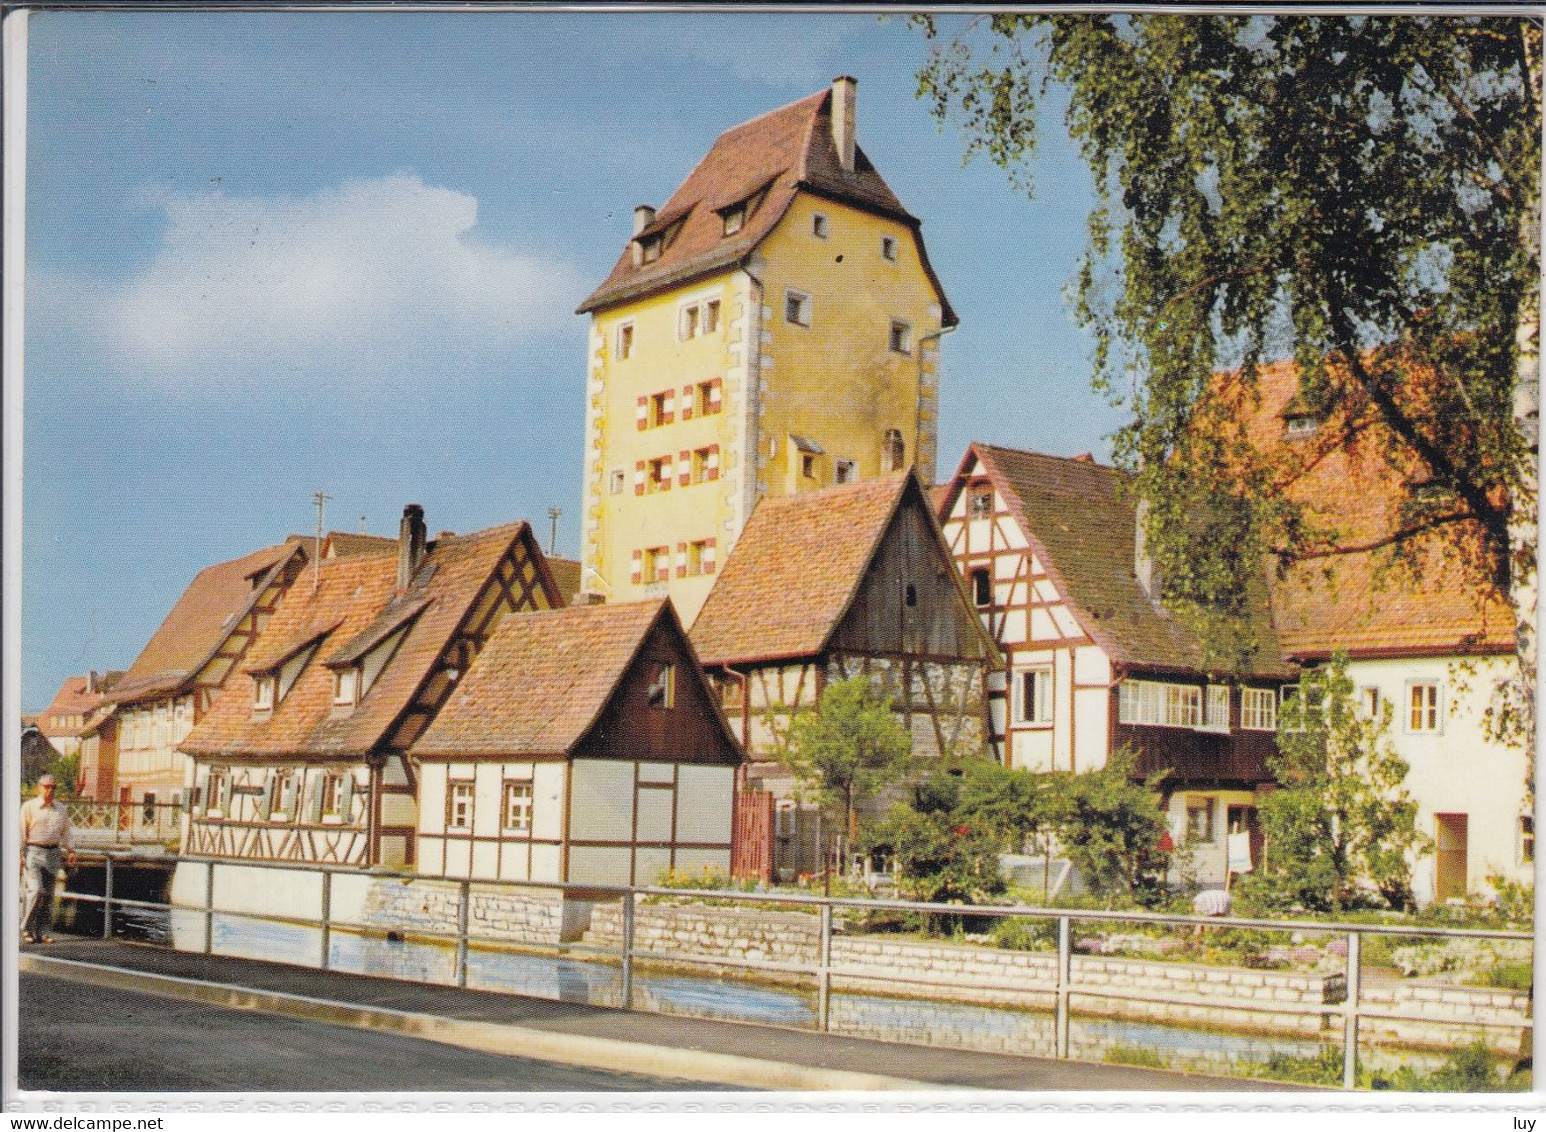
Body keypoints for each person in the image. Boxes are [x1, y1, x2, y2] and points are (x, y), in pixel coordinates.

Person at [19, 774, 75, 944]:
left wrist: (71, 850)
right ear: (39, 787)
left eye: (53, 787)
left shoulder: (61, 809)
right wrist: (19, 854)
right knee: (36, 891)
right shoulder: (29, 807)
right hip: (34, 851)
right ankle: (26, 928)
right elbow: (21, 831)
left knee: (49, 895)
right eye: (46, 787)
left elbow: (66, 832)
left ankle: (42, 931)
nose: (50, 790)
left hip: (53, 852)